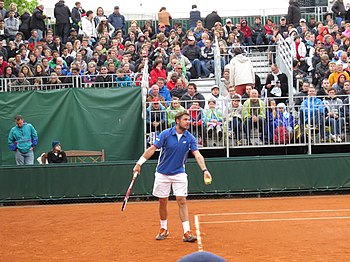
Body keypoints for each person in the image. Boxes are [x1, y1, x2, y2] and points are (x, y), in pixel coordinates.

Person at [133, 111, 212, 242]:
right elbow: (152, 149)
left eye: (189, 119)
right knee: (163, 201)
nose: (188, 122)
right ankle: (164, 228)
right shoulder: (165, 134)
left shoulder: (190, 138)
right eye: (185, 119)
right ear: (177, 121)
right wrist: (139, 163)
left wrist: (205, 170)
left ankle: (186, 232)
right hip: (162, 173)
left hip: (179, 173)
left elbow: (197, 154)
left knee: (182, 200)